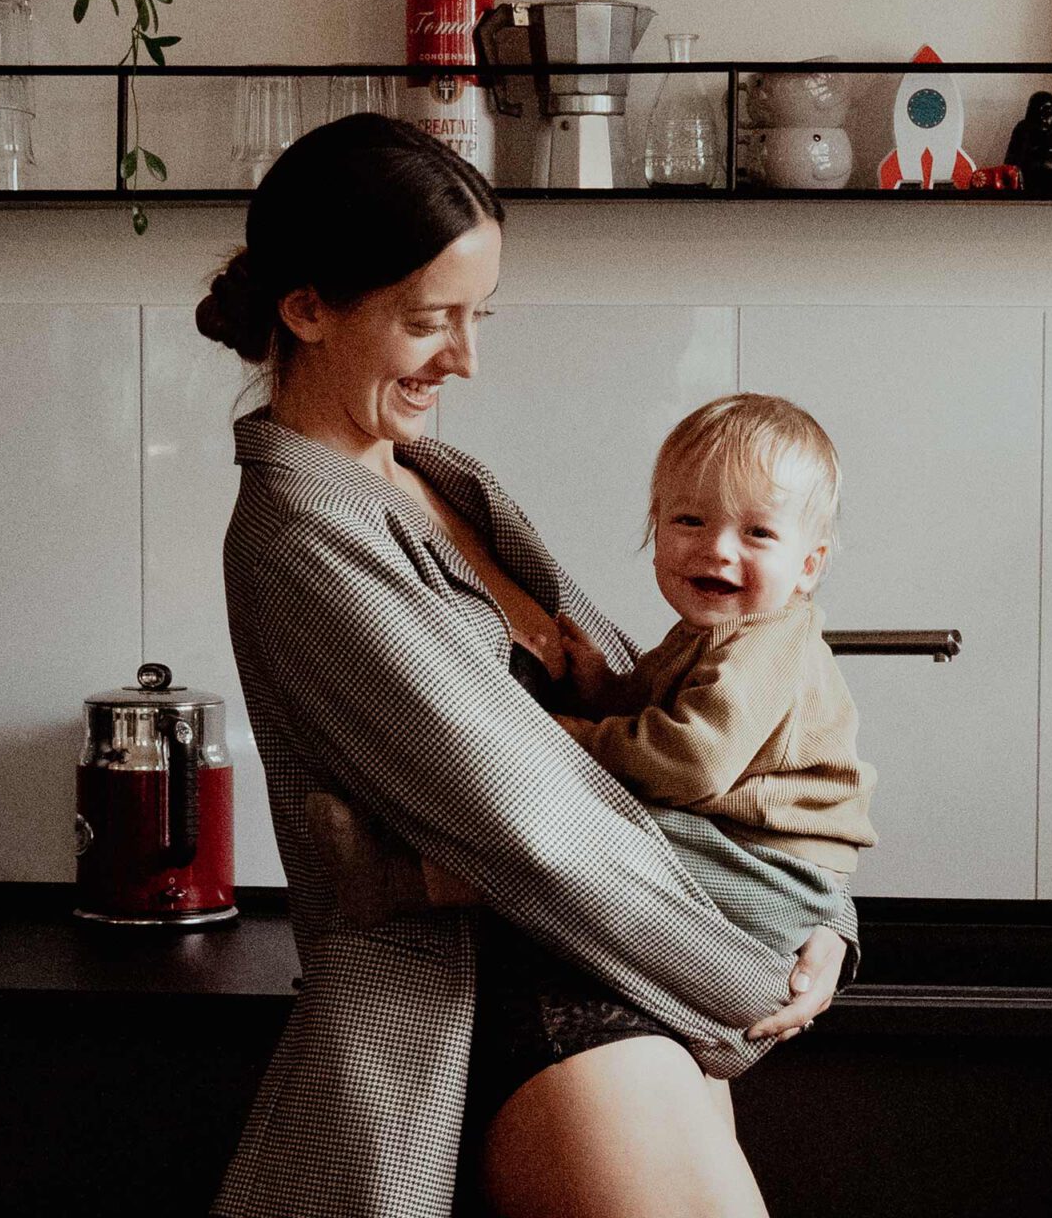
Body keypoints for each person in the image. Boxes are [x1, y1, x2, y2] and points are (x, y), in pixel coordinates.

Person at [199, 113, 856, 1218]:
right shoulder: (303, 534)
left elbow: (672, 736)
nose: (465, 356)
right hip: (506, 1001)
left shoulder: (437, 476)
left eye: (476, 315)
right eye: (428, 320)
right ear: (306, 308)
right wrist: (756, 974)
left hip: (616, 977)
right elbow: (536, 825)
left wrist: (818, 911)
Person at [315, 392, 878, 955]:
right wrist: (603, 687)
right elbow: (654, 704)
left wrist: (572, 736)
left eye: (758, 533)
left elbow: (693, 760)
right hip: (745, 853)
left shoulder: (770, 643)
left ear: (809, 565)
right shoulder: (707, 635)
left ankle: (414, 882)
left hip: (776, 875)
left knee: (602, 848)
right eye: (689, 520)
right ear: (655, 530)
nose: (717, 549)